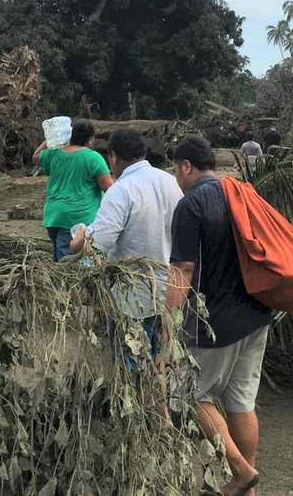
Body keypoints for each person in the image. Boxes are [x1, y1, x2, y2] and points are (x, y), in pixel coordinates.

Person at [167, 135, 272, 496]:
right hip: (255, 315)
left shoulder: (191, 204)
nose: (176, 178)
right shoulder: (239, 192)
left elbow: (182, 269)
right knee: (241, 403)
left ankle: (240, 472)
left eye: (175, 170)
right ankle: (248, 489)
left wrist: (169, 327)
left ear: (186, 166)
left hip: (215, 323)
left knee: (190, 395)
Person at [70, 127, 184, 365]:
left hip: (133, 297)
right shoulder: (171, 182)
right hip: (171, 292)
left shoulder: (121, 190)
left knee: (131, 364)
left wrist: (78, 240)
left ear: (113, 157)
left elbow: (98, 242)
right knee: (162, 361)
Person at [33, 119, 113, 261]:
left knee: (59, 258)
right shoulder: (93, 158)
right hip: (77, 218)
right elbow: (109, 188)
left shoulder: (53, 153)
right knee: (69, 263)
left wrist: (51, 138)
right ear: (90, 139)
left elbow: (35, 157)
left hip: (53, 215)